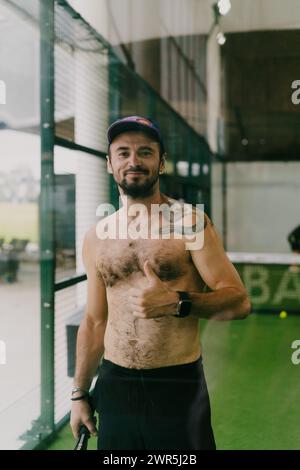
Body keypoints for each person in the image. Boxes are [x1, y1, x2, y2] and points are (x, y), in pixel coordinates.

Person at [70, 115, 251, 450]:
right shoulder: (96, 237)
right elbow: (95, 321)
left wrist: (179, 302)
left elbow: (239, 302)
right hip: (115, 383)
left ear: (161, 163)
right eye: (123, 153)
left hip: (176, 384)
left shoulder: (191, 223)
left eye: (145, 152)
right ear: (110, 165)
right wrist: (80, 393)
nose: (134, 161)